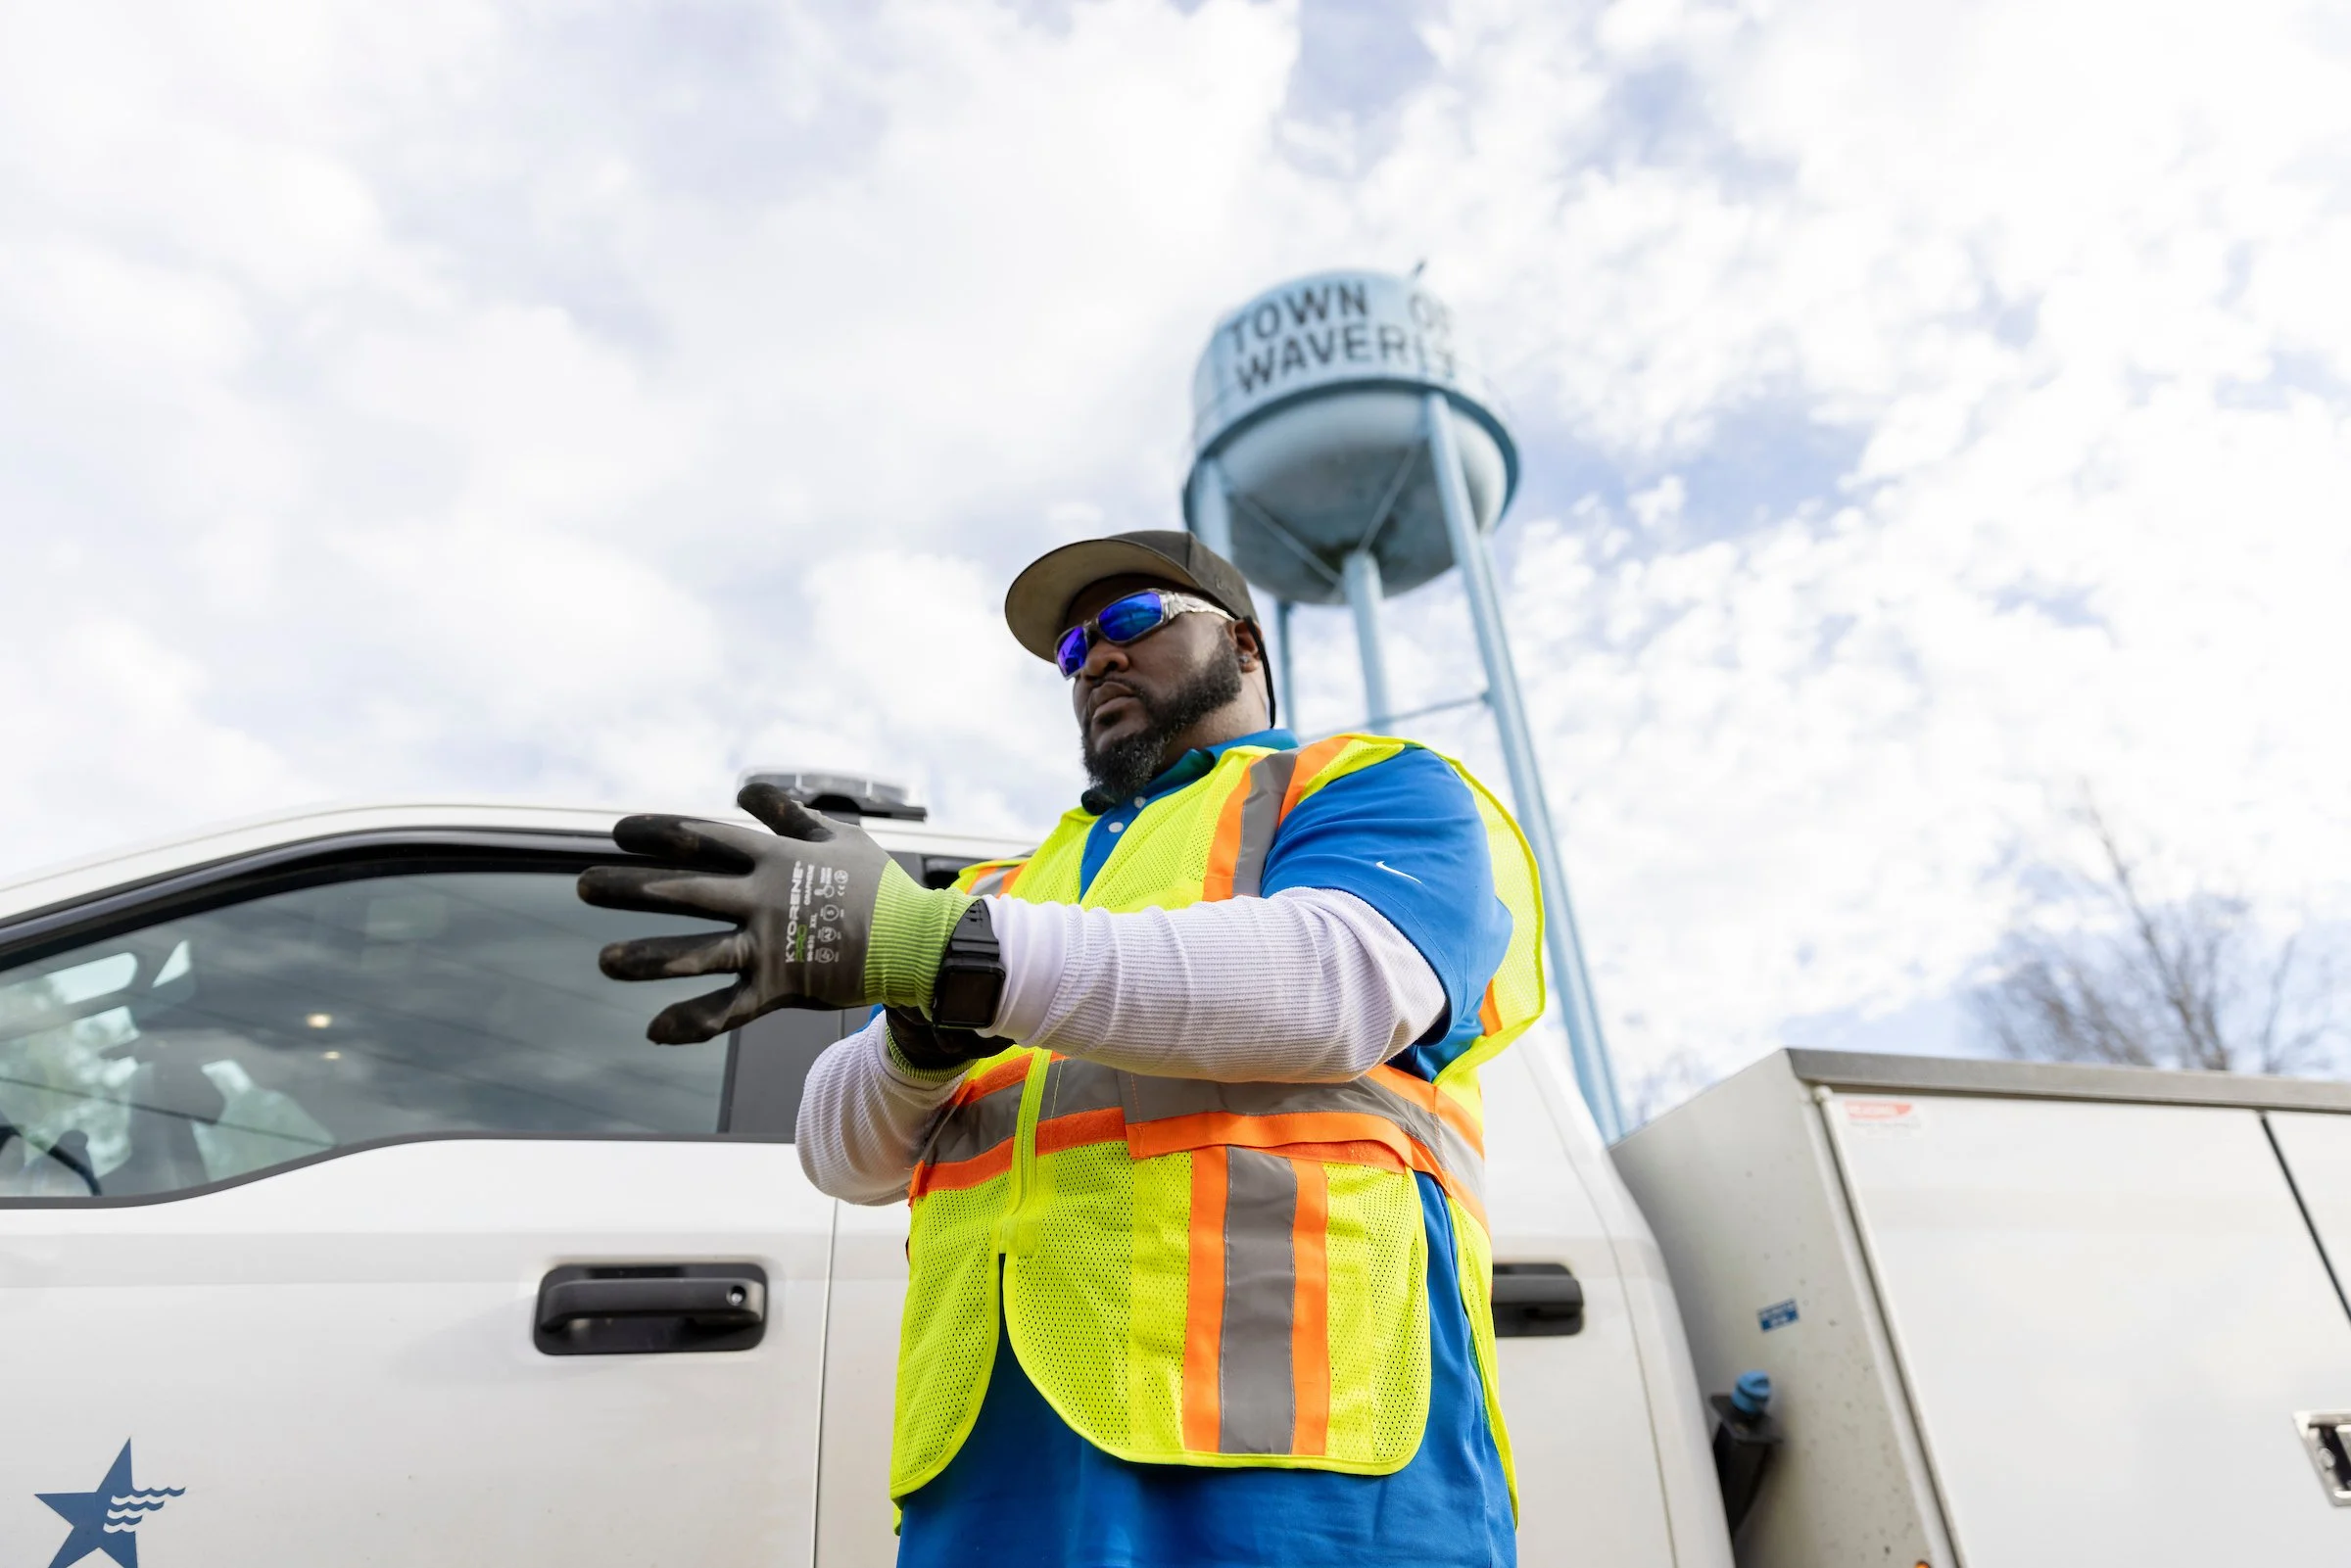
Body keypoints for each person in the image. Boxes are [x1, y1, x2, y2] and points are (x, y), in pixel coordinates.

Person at [578, 530, 1545, 1568]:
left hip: (1301, 1478)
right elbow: (839, 1152)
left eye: (1131, 621)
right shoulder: (1000, 893)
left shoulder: (1368, 787)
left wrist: (937, 952)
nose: (1096, 659)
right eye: (1074, 648)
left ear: (1247, 647)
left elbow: (1340, 981)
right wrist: (919, 1026)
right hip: (998, 1477)